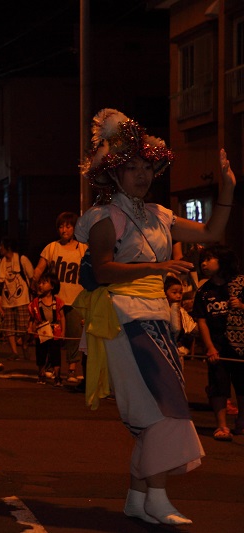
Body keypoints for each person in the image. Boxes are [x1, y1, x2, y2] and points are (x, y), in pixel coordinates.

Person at [74, 108, 236, 525]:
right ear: (113, 174)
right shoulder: (103, 218)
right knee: (165, 409)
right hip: (123, 317)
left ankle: (138, 498)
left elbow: (211, 234)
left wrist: (228, 189)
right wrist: (157, 269)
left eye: (147, 167)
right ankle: (158, 499)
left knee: (155, 410)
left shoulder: (159, 215)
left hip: (155, 317)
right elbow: (104, 270)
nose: (142, 175)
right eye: (132, 168)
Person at [192, 244, 244, 441]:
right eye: (202, 260)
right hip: (218, 346)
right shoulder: (204, 291)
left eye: (209, 259)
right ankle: (221, 426)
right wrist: (210, 346)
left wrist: (241, 305)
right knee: (218, 385)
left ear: (222, 261)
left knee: (242, 386)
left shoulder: (240, 284)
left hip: (241, 346)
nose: (204, 263)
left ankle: (241, 422)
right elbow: (202, 320)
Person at [32, 212, 87, 383]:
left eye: (68, 226)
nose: (64, 230)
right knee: (50, 336)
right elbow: (38, 270)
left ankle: (71, 369)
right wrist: (36, 286)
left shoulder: (83, 249)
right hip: (54, 301)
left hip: (77, 299)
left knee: (74, 335)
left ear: (74, 228)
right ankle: (50, 366)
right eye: (61, 226)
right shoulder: (52, 248)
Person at [0, 237, 35, 361]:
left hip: (22, 299)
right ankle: (14, 351)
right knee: (9, 327)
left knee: (24, 326)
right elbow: (0, 282)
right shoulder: (0, 262)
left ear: (8, 247)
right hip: (7, 300)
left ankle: (24, 344)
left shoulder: (22, 259)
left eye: (1, 246)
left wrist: (34, 294)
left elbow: (32, 276)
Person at [27, 272, 66, 386]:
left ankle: (57, 377)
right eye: (40, 283)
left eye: (44, 283)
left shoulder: (58, 302)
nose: (40, 285)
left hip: (54, 332)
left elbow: (62, 317)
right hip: (41, 331)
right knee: (41, 353)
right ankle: (41, 374)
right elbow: (32, 318)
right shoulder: (35, 302)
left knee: (55, 355)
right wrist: (30, 327)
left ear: (52, 286)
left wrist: (63, 331)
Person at [164, 276, 197, 367]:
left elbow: (193, 329)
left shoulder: (182, 311)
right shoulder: (160, 311)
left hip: (178, 352)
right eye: (174, 292)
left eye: (180, 293)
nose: (178, 296)